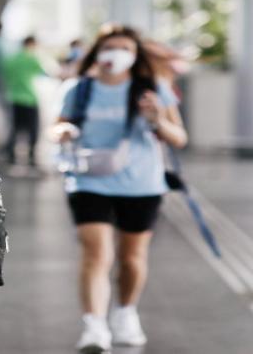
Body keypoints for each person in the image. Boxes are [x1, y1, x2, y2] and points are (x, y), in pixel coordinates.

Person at [50, 24, 188, 353]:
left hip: (142, 183)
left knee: (132, 257)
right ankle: (94, 327)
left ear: (136, 55)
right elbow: (56, 129)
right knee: (96, 254)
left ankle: (125, 313)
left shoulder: (152, 89)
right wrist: (65, 131)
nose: (117, 54)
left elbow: (179, 139)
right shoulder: (78, 89)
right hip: (88, 180)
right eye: (111, 47)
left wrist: (157, 118)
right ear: (98, 52)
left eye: (126, 48)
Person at [1, 35, 46, 165]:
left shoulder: (11, 59)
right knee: (33, 129)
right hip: (29, 97)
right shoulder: (32, 58)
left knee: (15, 128)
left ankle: (11, 156)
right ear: (32, 44)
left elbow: (5, 75)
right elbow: (44, 72)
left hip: (14, 97)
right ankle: (31, 157)